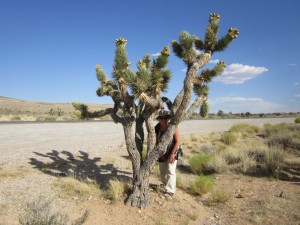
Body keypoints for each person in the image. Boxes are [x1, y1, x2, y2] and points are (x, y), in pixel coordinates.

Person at [155, 110, 180, 199]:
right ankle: (166, 184)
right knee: (162, 170)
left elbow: (177, 142)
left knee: (170, 169)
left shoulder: (173, 127)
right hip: (162, 150)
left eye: (165, 118)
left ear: (168, 118)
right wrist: (158, 153)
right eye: (161, 118)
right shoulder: (157, 127)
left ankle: (170, 191)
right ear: (159, 119)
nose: (163, 120)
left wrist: (172, 154)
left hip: (173, 150)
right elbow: (157, 141)